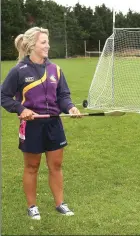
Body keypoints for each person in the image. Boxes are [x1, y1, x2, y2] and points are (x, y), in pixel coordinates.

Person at [1, 27, 81, 220]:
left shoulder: (55, 70)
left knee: (56, 165)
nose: (48, 45)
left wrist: (70, 107)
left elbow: (63, 96)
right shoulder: (19, 70)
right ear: (32, 46)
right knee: (32, 167)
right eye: (43, 42)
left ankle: (60, 203)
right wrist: (21, 110)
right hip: (31, 125)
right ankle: (32, 206)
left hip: (54, 124)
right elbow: (3, 96)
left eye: (47, 42)